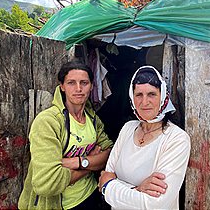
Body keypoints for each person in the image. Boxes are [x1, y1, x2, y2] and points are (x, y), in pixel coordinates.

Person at [19, 60, 113, 209]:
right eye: (71, 83)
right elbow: (48, 183)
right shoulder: (48, 122)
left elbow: (109, 153)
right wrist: (90, 163)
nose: (78, 88)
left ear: (91, 86)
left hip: (90, 194)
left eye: (84, 83)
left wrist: (77, 162)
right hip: (61, 205)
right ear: (62, 86)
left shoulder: (92, 119)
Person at [98, 66, 191, 209]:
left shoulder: (177, 139)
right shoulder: (128, 128)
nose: (144, 102)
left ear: (163, 96)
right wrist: (137, 189)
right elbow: (106, 175)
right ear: (131, 96)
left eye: (152, 94)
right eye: (139, 95)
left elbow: (155, 204)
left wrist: (110, 187)